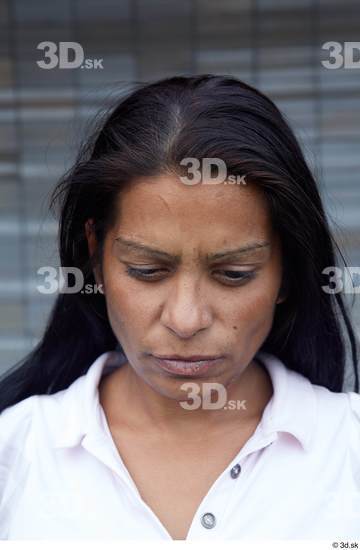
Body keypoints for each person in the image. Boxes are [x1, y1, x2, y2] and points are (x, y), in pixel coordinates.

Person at [0, 74, 359, 540]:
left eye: (234, 274)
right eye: (147, 270)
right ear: (95, 256)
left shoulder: (348, 448)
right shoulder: (15, 455)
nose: (186, 320)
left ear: (287, 270)